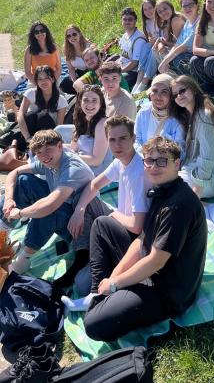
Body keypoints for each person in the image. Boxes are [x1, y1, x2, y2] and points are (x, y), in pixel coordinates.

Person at [82, 136, 207, 341]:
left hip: (165, 291)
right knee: (103, 224)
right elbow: (141, 241)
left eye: (161, 161)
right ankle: (97, 294)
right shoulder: (162, 191)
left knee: (93, 325)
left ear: (177, 164)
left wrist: (115, 284)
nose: (154, 167)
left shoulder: (178, 205)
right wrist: (113, 280)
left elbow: (156, 261)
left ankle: (101, 300)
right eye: (149, 161)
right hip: (150, 270)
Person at [59, 115, 151, 301]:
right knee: (84, 199)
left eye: (123, 138)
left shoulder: (139, 172)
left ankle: (98, 264)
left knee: (81, 285)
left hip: (135, 237)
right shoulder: (120, 161)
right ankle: (83, 255)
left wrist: (114, 215)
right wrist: (79, 210)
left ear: (133, 138)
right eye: (112, 139)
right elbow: (94, 185)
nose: (117, 145)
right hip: (123, 221)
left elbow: (137, 226)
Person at [0, 130, 94, 275]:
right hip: (65, 210)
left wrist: (20, 213)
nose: (43, 156)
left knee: (47, 209)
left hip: (80, 227)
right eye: (38, 153)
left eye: (48, 150)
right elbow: (14, 173)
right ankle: (2, 234)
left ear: (60, 146)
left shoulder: (72, 168)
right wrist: (8, 200)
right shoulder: (48, 161)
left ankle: (24, 259)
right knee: (24, 181)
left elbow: (50, 205)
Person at [170, 75, 214, 198]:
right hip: (196, 172)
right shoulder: (194, 113)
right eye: (175, 95)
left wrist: (197, 192)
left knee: (169, 190)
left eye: (182, 91)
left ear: (193, 89)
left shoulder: (204, 116)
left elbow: (208, 157)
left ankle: (205, 206)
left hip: (209, 182)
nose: (179, 96)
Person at [16, 65, 68, 150]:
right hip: (30, 132)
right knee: (30, 116)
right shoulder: (31, 93)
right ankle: (28, 146)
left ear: (53, 79)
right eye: (40, 79)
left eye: (46, 78)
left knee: (44, 117)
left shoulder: (61, 100)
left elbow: (59, 126)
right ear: (36, 81)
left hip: (48, 134)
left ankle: (41, 147)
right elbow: (20, 115)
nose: (43, 81)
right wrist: (28, 138)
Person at [65, 85, 112, 177]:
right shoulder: (82, 120)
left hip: (96, 174)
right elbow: (73, 148)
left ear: (100, 103)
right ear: (80, 102)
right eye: (86, 100)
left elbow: (96, 161)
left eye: (94, 100)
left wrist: (67, 156)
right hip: (81, 168)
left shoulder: (102, 124)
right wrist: (55, 147)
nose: (90, 104)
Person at [134, 74, 185, 156]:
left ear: (172, 95)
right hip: (142, 158)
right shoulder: (144, 111)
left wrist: (157, 160)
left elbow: (180, 151)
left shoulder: (179, 118)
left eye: (164, 91)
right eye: (154, 90)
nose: (158, 96)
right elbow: (136, 140)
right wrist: (144, 157)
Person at [157, 0, 200, 76]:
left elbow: (184, 46)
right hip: (189, 54)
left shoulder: (200, 22)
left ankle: (193, 82)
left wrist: (164, 62)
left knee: (178, 59)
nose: (187, 8)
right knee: (165, 54)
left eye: (190, 4)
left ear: (197, 6)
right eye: (184, 6)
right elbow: (178, 44)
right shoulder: (188, 23)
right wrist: (166, 59)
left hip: (200, 58)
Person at [118, 7, 150, 91]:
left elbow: (135, 63)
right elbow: (122, 56)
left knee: (115, 81)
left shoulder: (139, 39)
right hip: (123, 67)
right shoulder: (125, 35)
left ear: (135, 21)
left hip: (133, 72)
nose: (127, 22)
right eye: (125, 19)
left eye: (130, 19)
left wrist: (120, 70)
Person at [60, 25, 91, 94]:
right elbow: (71, 69)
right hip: (80, 72)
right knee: (64, 84)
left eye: (74, 34)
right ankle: (81, 93)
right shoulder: (67, 50)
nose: (72, 37)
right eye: (69, 36)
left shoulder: (88, 46)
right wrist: (75, 83)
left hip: (92, 72)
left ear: (79, 34)